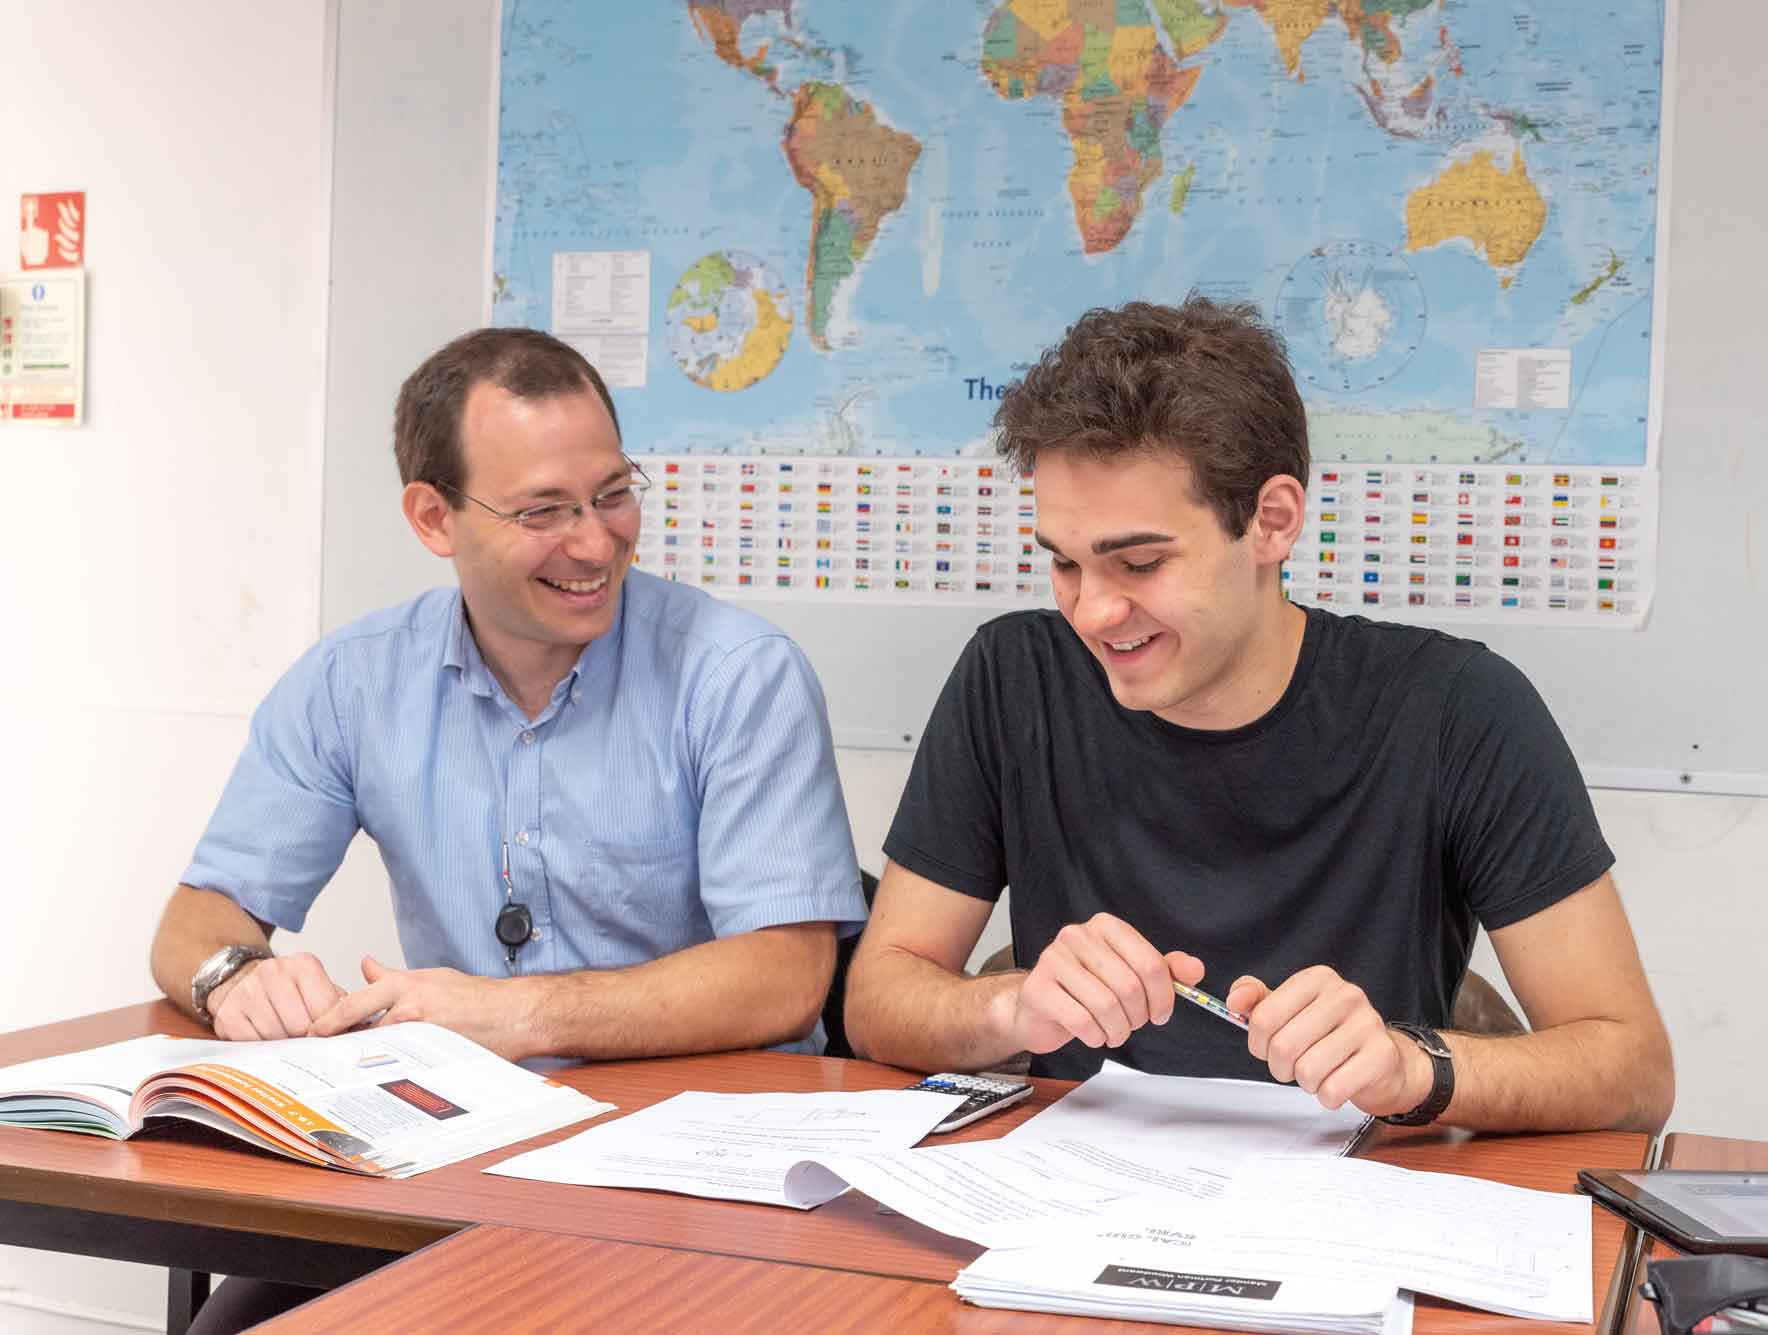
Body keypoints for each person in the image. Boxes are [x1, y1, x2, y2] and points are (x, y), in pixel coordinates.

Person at [843, 296, 1673, 1134]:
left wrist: (1412, 1065)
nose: (1092, 612)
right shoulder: (1013, 676)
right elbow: (878, 998)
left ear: (1272, 522)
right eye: (1065, 564)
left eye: (1139, 562)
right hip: (1070, 1197)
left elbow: (1633, 1069)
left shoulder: (1456, 708)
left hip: (1353, 1201)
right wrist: (1011, 1008)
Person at [150, 327, 867, 1064]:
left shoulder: (738, 674)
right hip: (471, 1134)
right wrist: (235, 977)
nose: (596, 544)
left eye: (613, 494)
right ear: (434, 518)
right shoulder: (351, 683)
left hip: (702, 1134)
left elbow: (787, 975)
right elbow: (194, 922)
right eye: (544, 511)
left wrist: (521, 1015)